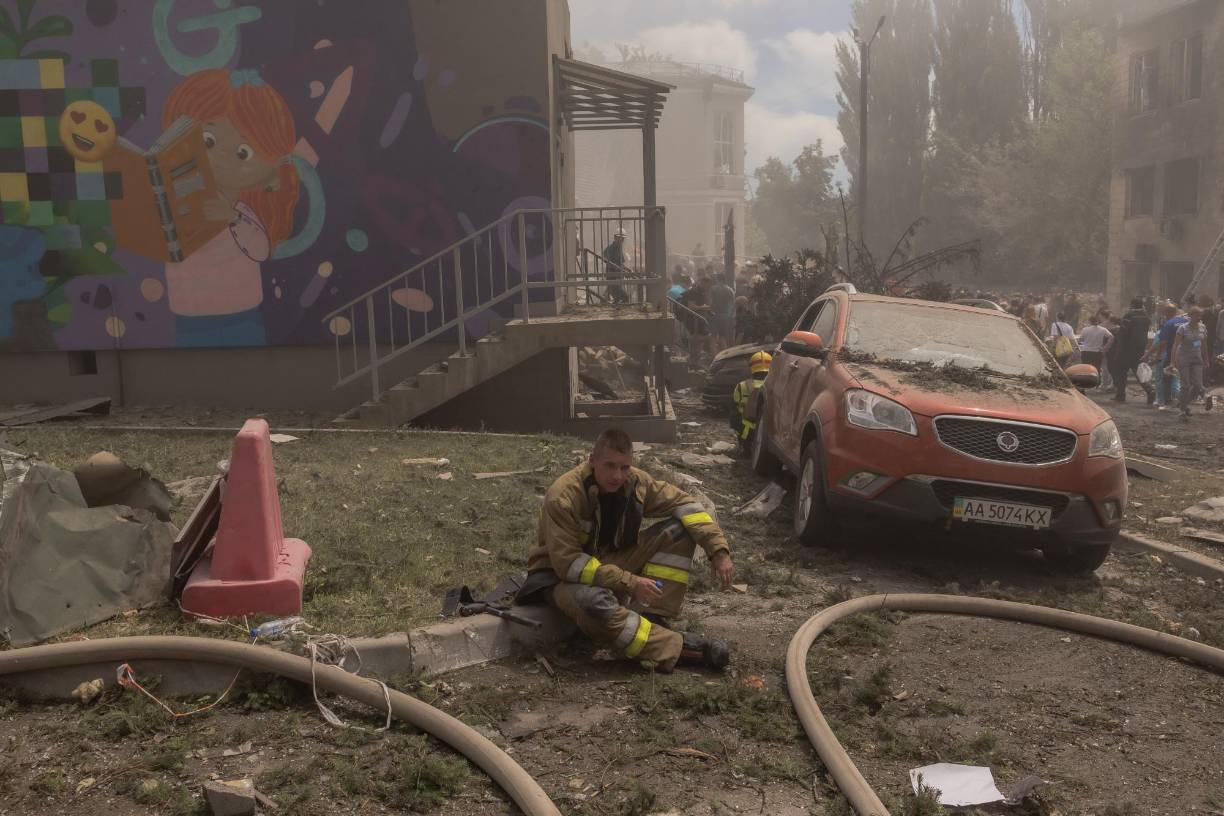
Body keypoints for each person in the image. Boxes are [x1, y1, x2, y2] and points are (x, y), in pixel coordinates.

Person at [517, 429, 733, 671]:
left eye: (624, 467)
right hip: (560, 577)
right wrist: (630, 582)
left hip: (607, 561)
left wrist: (718, 551)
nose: (617, 476)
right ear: (592, 461)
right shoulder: (563, 496)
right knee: (593, 603)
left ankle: (653, 617)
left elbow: (688, 504)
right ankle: (679, 649)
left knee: (681, 528)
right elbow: (570, 565)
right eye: (609, 466)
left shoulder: (635, 483)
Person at [1172, 306, 1213, 419]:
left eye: (1200, 315)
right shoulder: (1182, 328)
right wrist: (1173, 361)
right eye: (1196, 315)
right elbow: (1176, 345)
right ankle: (1182, 411)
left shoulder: (1203, 328)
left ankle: (1184, 404)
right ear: (1190, 316)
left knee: (1197, 384)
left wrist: (1206, 359)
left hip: (1197, 358)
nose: (1199, 318)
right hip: (1183, 357)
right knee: (1185, 384)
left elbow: (1204, 345)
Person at [1144, 301, 1187, 410]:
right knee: (1178, 380)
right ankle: (1183, 401)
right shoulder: (1185, 321)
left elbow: (1162, 343)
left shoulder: (1168, 325)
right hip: (1186, 355)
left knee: (1165, 380)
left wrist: (1151, 355)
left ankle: (1165, 402)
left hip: (1170, 356)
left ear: (1165, 314)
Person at [1113, 297, 1154, 403]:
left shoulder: (1129, 316)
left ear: (1132, 305)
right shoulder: (1146, 317)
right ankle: (1150, 390)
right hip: (1139, 349)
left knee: (1121, 372)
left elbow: (1123, 333)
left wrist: (1119, 348)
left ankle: (1120, 395)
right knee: (1139, 372)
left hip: (1126, 349)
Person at [731, 351, 771, 449]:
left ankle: (744, 448)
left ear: (752, 367)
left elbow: (733, 411)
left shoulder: (741, 386)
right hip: (767, 435)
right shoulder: (774, 387)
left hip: (746, 434)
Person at [709, 274, 736, 353]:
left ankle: (714, 356)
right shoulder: (730, 290)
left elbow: (710, 302)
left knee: (713, 337)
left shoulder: (713, 289)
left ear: (717, 279)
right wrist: (730, 315)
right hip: (725, 316)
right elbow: (733, 304)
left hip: (714, 315)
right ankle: (724, 356)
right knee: (722, 337)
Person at [603, 229, 629, 304]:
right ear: (615, 237)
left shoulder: (619, 249)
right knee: (624, 297)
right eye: (620, 238)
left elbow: (621, 263)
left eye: (623, 239)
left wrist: (627, 269)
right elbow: (608, 262)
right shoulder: (609, 249)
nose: (622, 240)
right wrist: (619, 268)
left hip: (618, 277)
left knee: (619, 298)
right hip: (612, 277)